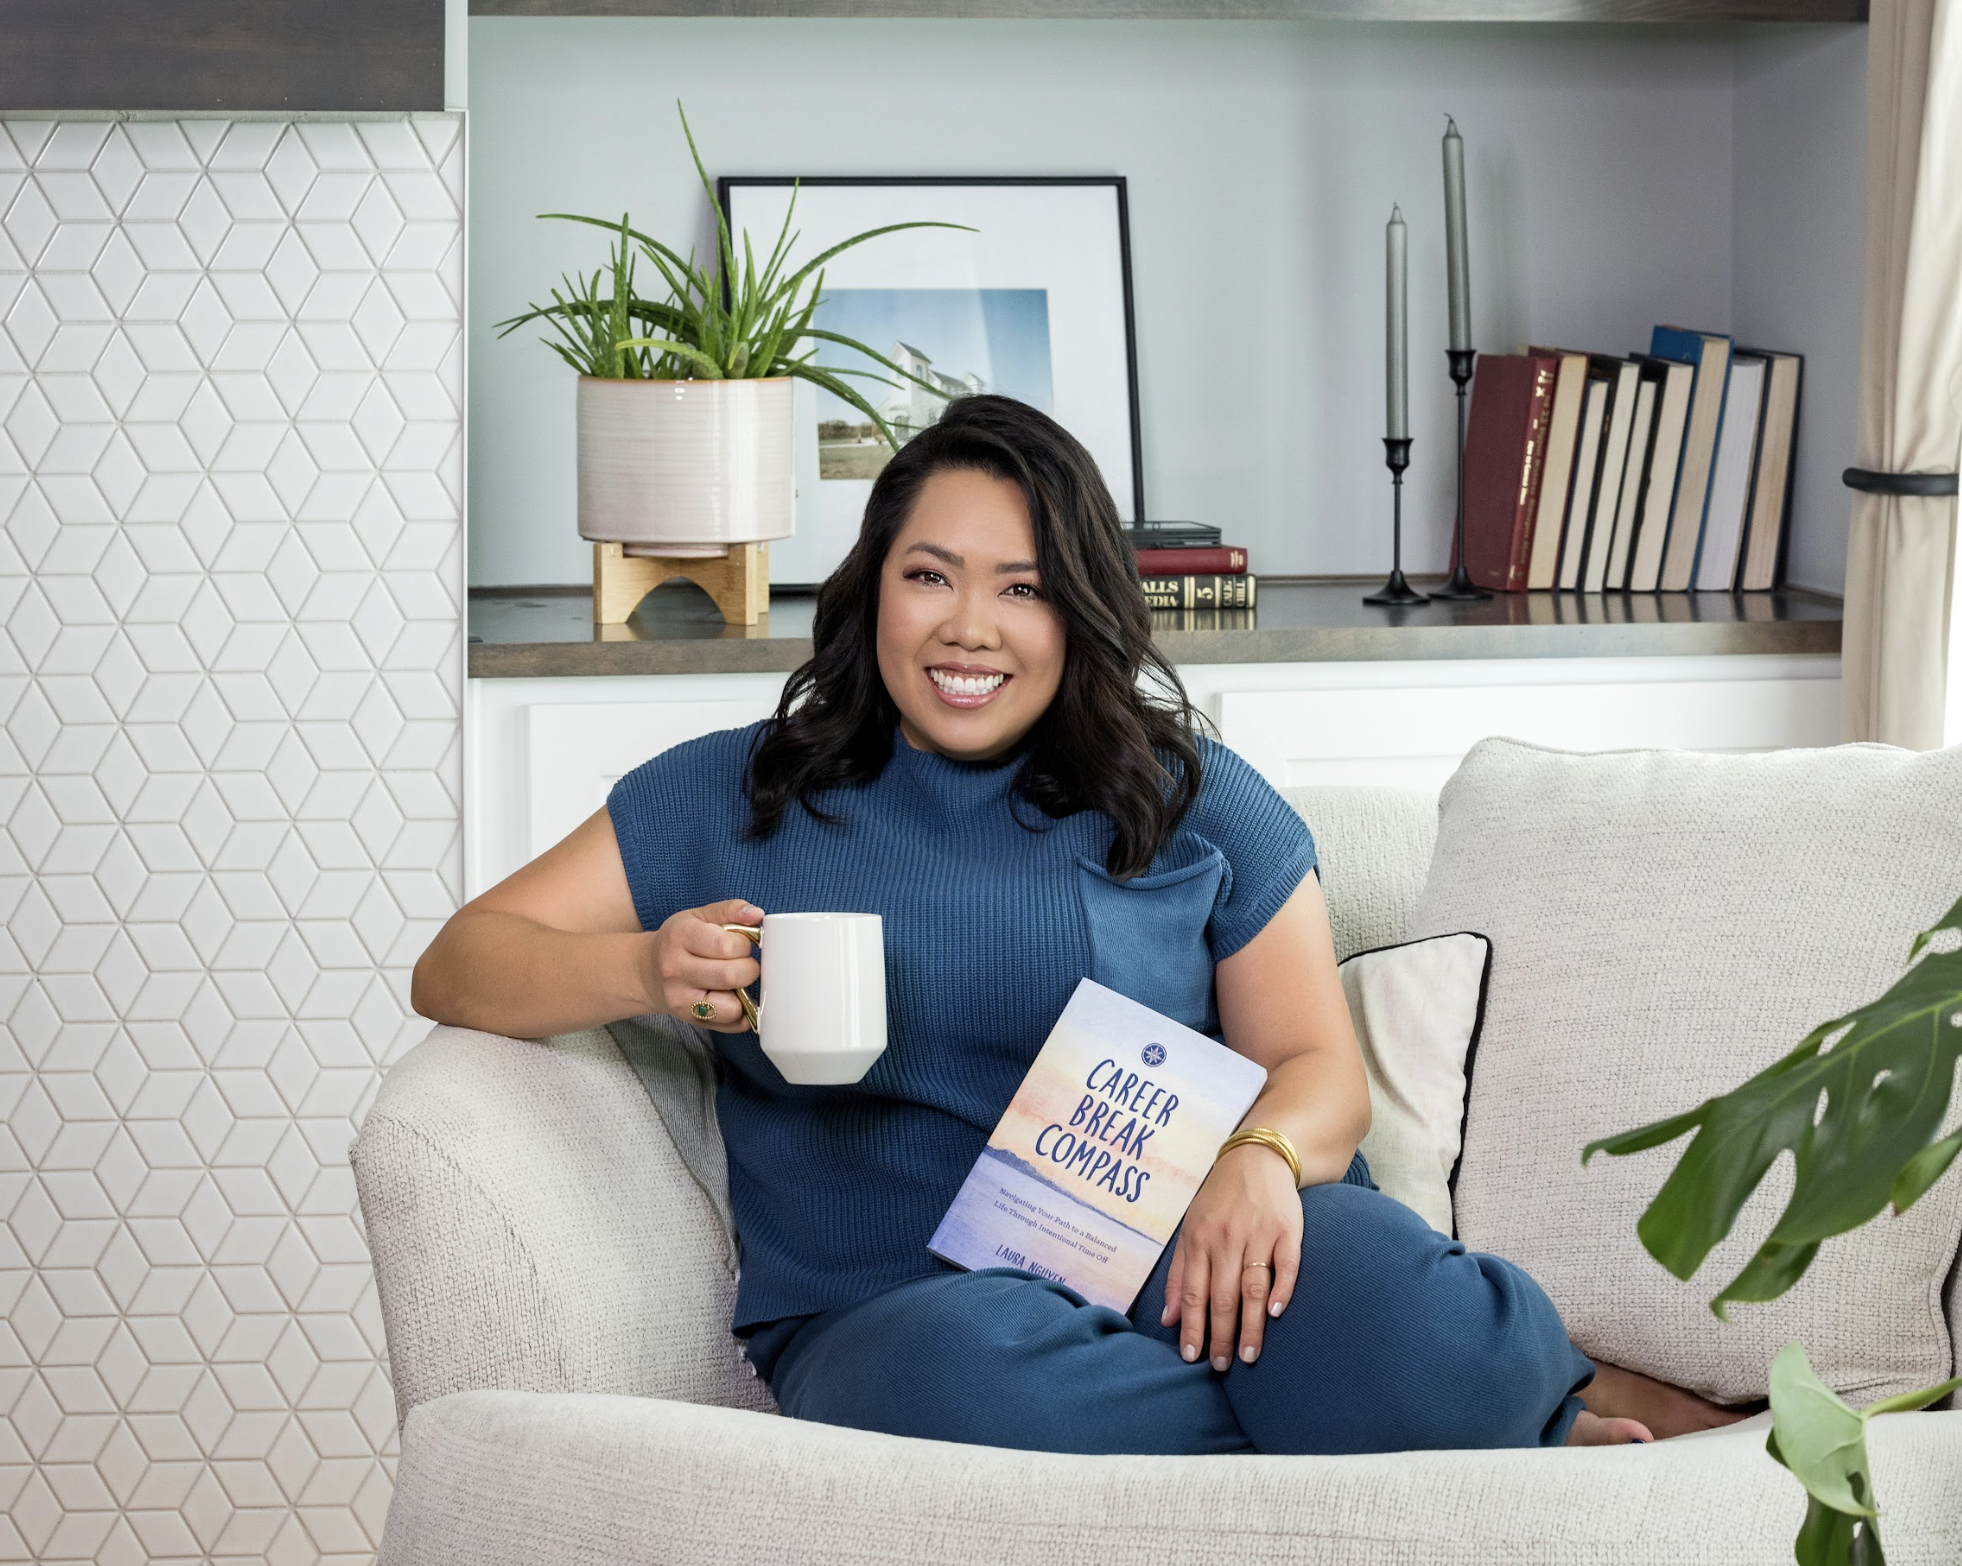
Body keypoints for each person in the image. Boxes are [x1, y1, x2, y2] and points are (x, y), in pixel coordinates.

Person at [414, 394, 1741, 1455]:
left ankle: (1454, 1389)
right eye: (930, 575)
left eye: (1023, 588)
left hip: (1201, 1259)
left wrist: (1264, 1158)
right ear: (874, 585)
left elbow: (1317, 1065)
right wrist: (641, 963)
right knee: (977, 1392)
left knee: (1399, 1314)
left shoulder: (1189, 796)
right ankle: (1447, 1427)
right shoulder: (734, 789)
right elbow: (458, 962)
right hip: (904, 1312)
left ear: (1079, 609)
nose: (968, 627)